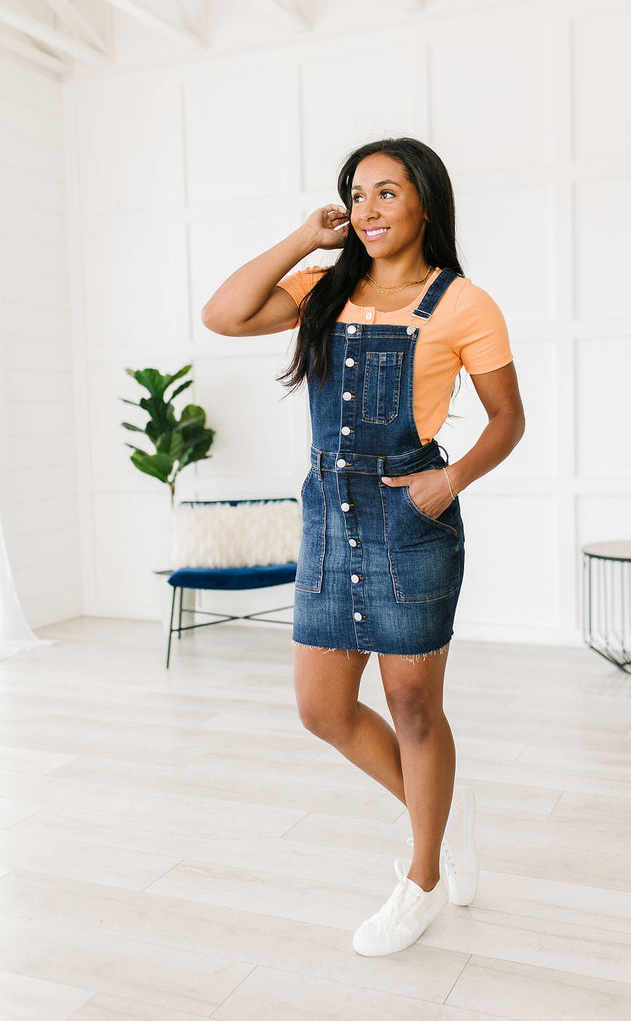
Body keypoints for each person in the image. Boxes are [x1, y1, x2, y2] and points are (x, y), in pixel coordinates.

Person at [202, 136, 525, 956]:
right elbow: (223, 314)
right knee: (323, 709)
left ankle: (423, 879)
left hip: (409, 522)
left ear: (425, 201)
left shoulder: (464, 304)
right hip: (327, 518)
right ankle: (441, 807)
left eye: (387, 191)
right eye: (357, 194)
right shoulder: (322, 288)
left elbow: (507, 419)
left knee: (414, 707)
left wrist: (450, 481)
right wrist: (303, 238)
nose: (368, 208)